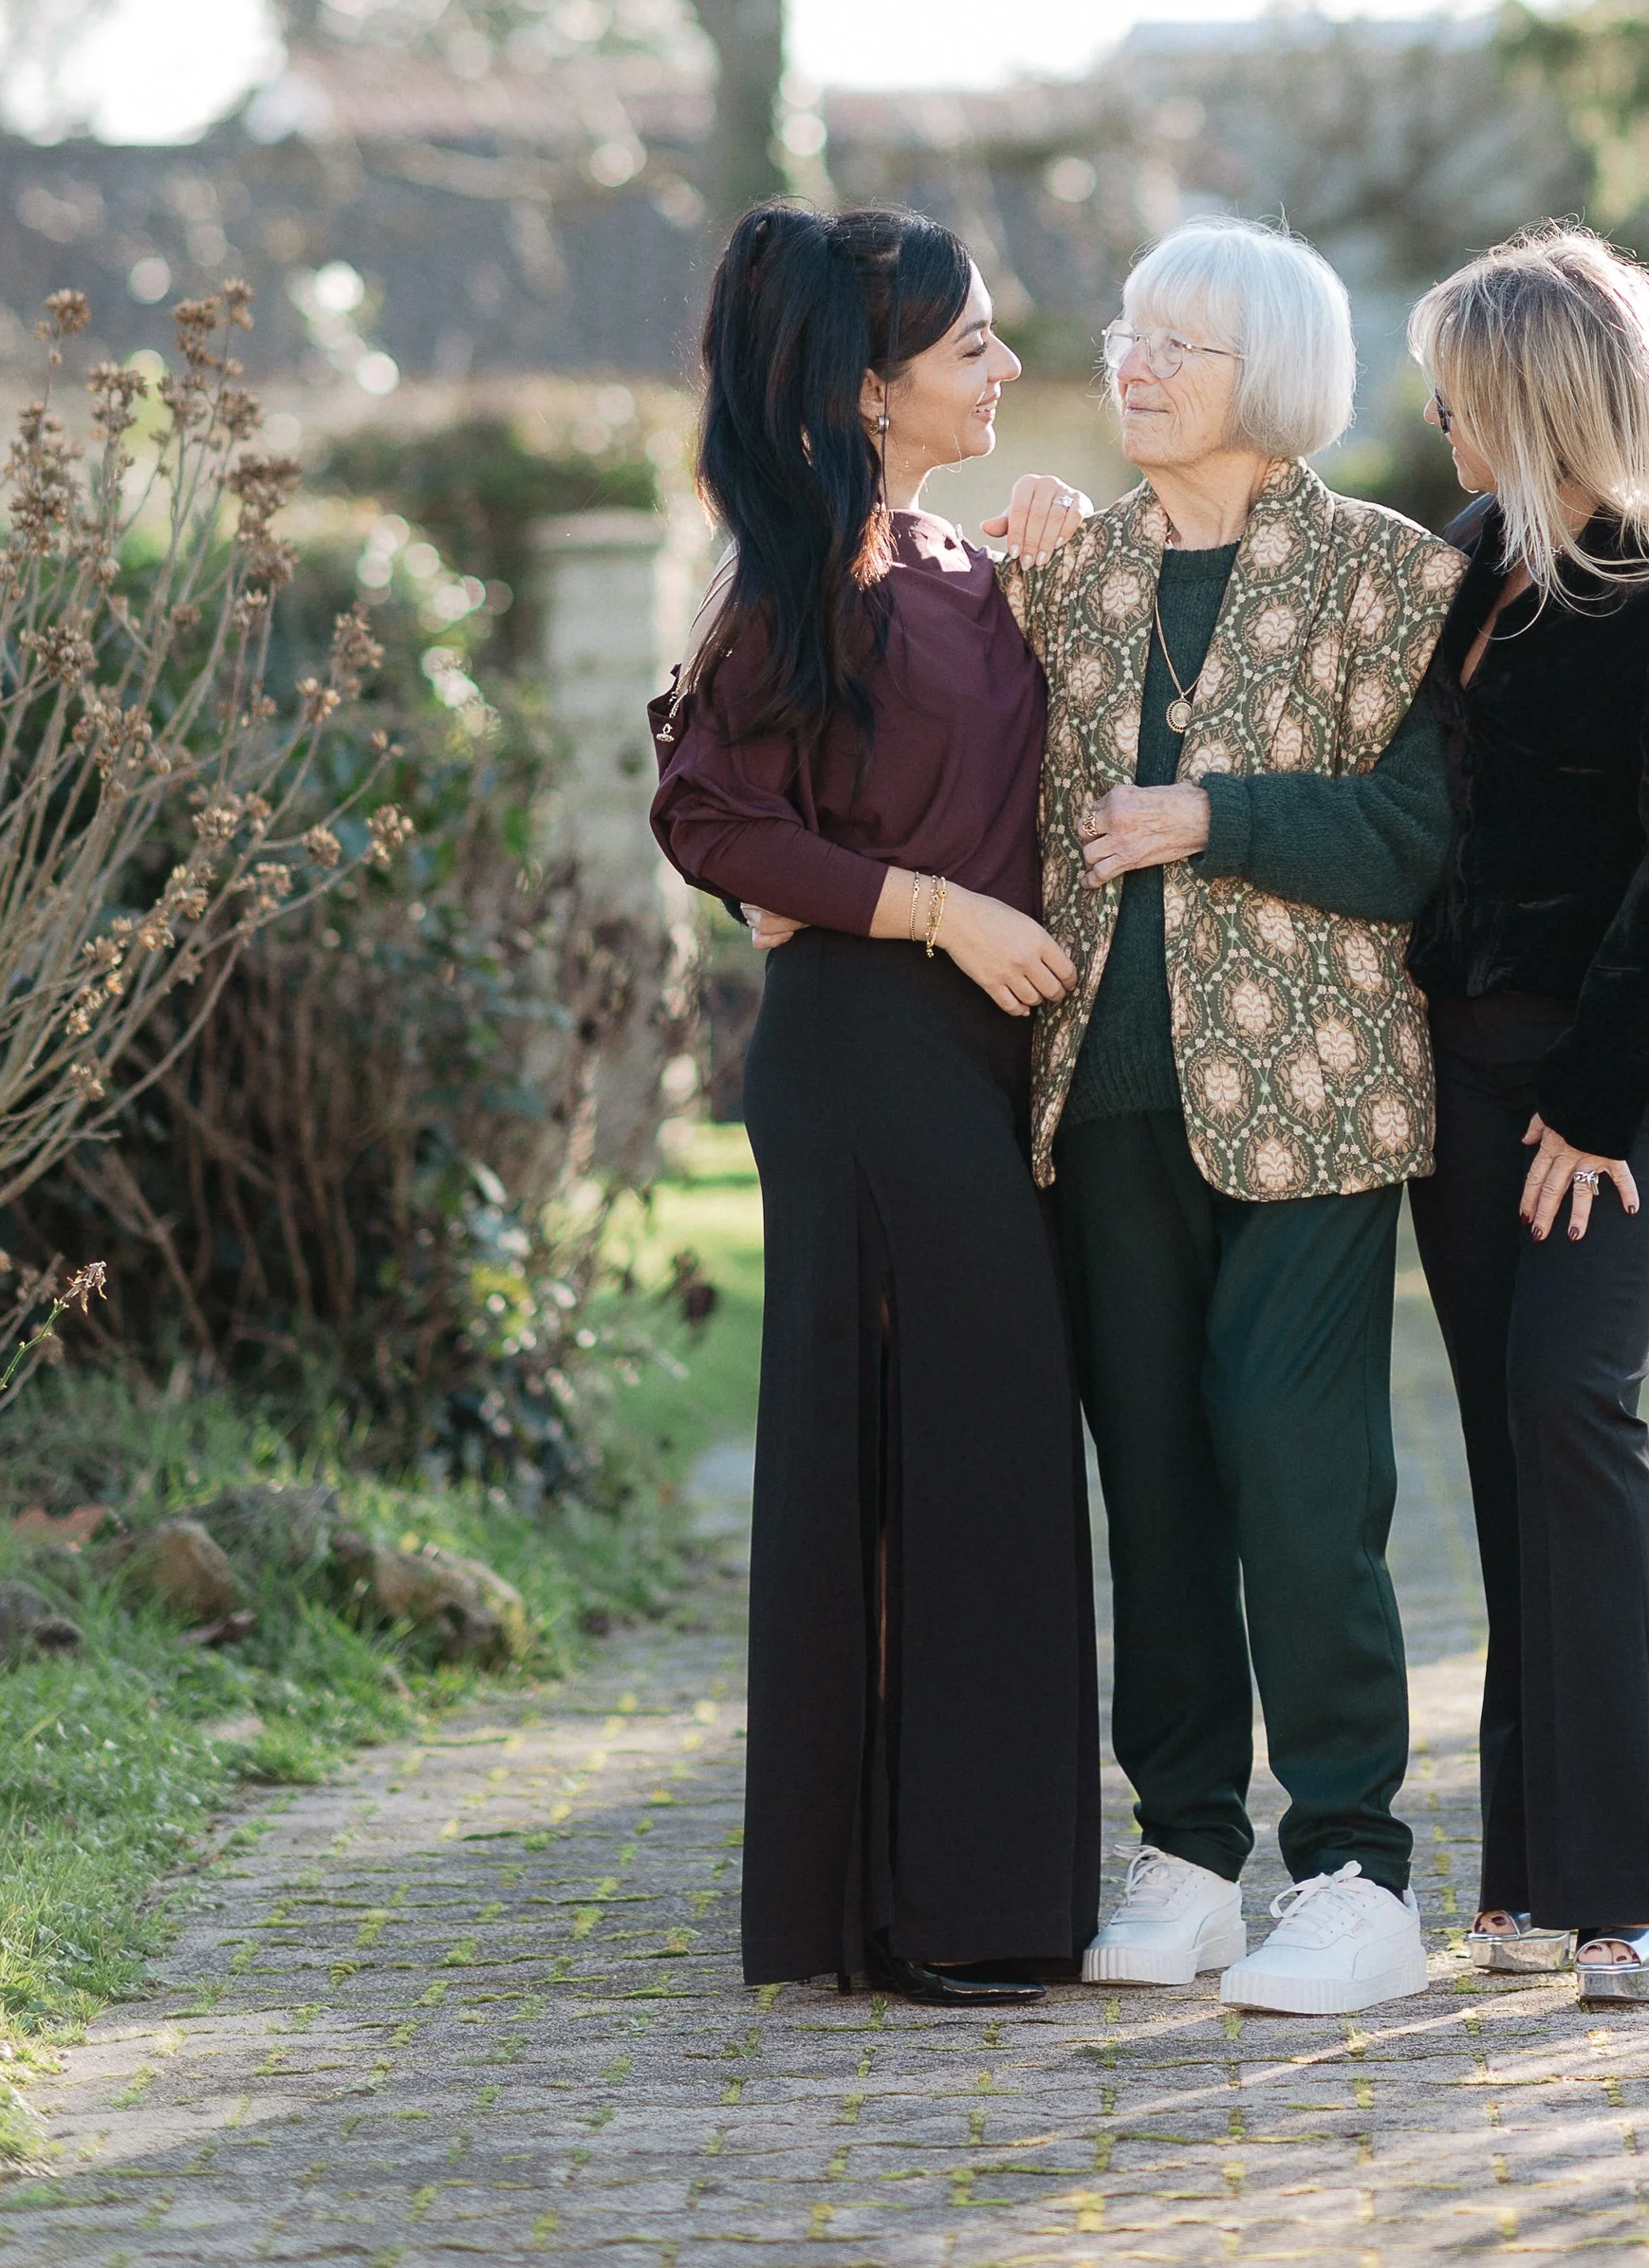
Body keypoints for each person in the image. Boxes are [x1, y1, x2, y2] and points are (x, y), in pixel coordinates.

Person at [991, 220, 1463, 2018]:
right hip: (1104, 1102)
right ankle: (1185, 1854)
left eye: (1179, 342)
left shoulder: (1387, 580)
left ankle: (1354, 1870)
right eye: (1125, 331)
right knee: (1162, 1496)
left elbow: (1418, 841)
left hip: (1321, 1106)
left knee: (1297, 1469)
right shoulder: (1059, 572)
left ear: (1267, 373)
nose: (1135, 362)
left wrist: (1218, 815)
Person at [646, 204, 1099, 2007]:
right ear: (865, 384)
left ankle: (943, 1898)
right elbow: (710, 816)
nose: (1003, 363)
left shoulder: (946, 556)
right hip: (862, 1047)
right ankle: (927, 1912)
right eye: (969, 341)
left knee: (979, 1450)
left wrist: (1043, 570)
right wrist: (929, 909)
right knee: (941, 1456)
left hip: (971, 1061)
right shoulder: (801, 574)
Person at [1404, 224, 1649, 2004]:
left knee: (1573, 1404)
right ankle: (1527, 1874)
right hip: (1465, 1065)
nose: (1436, 420)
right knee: (1503, 1450)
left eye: (1458, 391)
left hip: (1628, 1068)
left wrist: (1592, 1103)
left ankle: (1630, 1892)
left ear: (1533, 394)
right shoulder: (1470, 560)